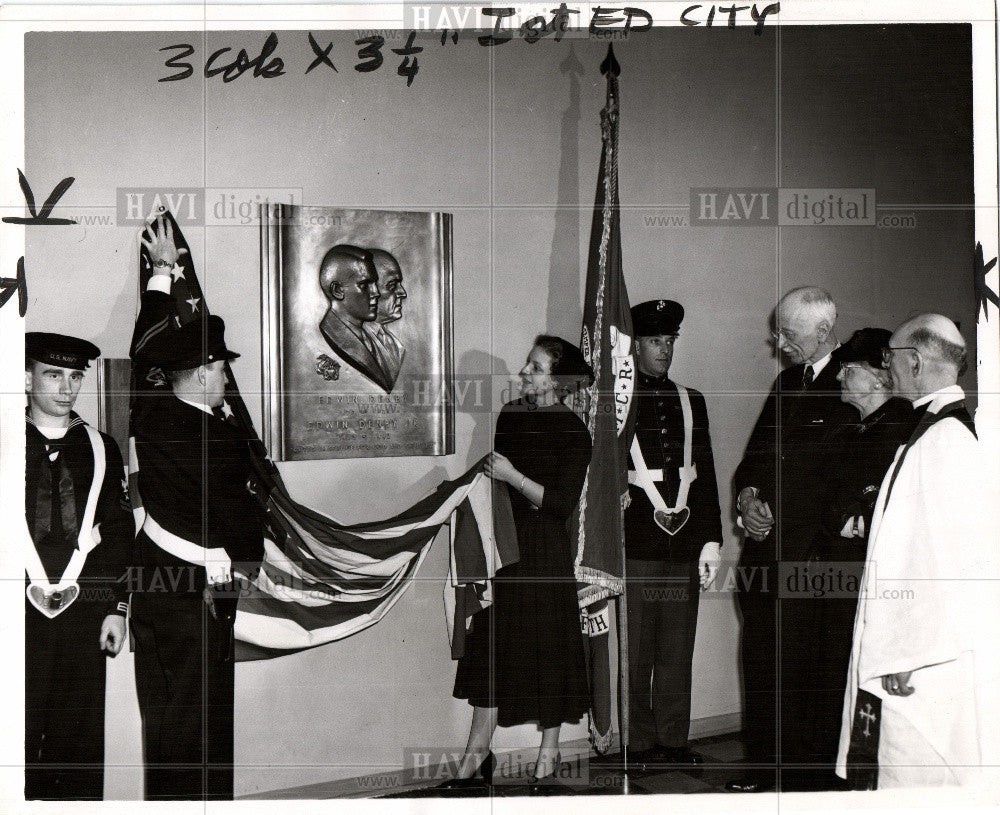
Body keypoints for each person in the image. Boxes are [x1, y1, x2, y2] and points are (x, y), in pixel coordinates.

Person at [129, 215, 265, 800]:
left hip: (180, 588)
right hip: (189, 591)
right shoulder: (195, 427)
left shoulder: (172, 418)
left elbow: (143, 355)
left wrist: (162, 275)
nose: (224, 377)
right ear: (201, 375)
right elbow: (240, 520)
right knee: (193, 726)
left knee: (188, 721)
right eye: (219, 369)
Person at [836, 314, 998, 788]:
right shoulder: (934, 431)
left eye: (890, 359)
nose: (887, 369)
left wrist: (902, 654)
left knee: (916, 768)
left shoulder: (945, 441)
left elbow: (940, 561)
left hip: (921, 657)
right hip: (919, 644)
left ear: (915, 361)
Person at [443, 335, 593, 794]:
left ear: (560, 380)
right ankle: (475, 755)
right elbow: (495, 489)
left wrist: (513, 476)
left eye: (536, 367)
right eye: (527, 364)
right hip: (504, 550)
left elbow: (560, 505)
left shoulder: (575, 432)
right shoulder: (510, 416)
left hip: (544, 554)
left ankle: (549, 755)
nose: (524, 372)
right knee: (492, 647)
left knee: (548, 649)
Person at [729, 286, 855, 792]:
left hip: (817, 562)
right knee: (762, 663)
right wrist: (748, 500)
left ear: (824, 332)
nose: (779, 342)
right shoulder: (786, 383)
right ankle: (763, 770)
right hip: (767, 556)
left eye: (788, 332)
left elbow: (845, 481)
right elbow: (754, 458)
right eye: (777, 331)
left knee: (812, 675)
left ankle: (808, 783)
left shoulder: (857, 381)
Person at [800, 328, 916, 788]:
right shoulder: (850, 426)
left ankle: (860, 775)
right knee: (831, 668)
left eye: (849, 370)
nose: (841, 378)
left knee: (858, 668)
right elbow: (821, 494)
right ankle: (837, 769)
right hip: (835, 568)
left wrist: (852, 519)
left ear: (877, 377)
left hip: (870, 574)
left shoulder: (902, 426)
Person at [24, 332, 133, 800]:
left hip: (84, 607)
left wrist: (117, 607)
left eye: (74, 376)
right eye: (53, 375)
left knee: (79, 739)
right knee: (16, 733)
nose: (66, 388)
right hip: (16, 612)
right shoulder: (7, 442)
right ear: (26, 379)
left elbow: (119, 532)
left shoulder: (102, 446)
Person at [623, 300, 723, 770]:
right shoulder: (617, 401)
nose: (664, 351)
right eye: (655, 341)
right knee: (636, 647)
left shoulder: (691, 399)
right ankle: (639, 744)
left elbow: (704, 471)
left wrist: (711, 539)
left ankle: (673, 738)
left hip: (683, 539)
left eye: (669, 341)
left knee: (676, 647)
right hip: (637, 538)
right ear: (635, 345)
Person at [317, 244, 392, 392]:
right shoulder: (332, 334)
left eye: (374, 283)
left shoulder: (375, 337)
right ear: (338, 291)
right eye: (364, 285)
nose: (376, 292)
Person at [368, 247, 407, 389]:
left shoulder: (394, 344)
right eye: (392, 285)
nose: (402, 293)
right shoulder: (356, 341)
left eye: (400, 284)